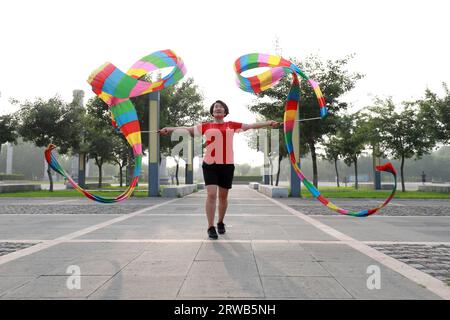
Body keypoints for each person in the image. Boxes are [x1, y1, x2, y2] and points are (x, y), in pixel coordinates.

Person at [160, 100, 279, 239]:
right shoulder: (205, 126)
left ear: (225, 112)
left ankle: (220, 222)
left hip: (227, 165)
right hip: (210, 165)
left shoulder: (232, 125)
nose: (218, 108)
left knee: (223, 197)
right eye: (215, 107)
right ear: (212, 112)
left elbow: (251, 125)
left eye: (220, 107)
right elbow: (186, 129)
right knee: (211, 194)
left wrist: (269, 123)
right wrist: (169, 129)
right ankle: (210, 227)